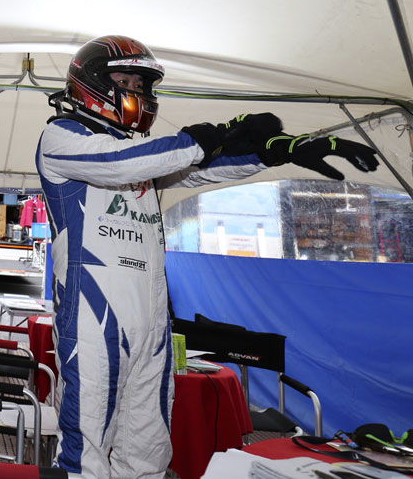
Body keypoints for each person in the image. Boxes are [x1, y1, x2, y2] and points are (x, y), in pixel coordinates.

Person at [35, 35, 379, 478]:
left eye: (141, 86)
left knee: (148, 450)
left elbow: (197, 167)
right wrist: (216, 134)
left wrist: (273, 152)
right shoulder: (62, 136)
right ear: (94, 82)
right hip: (93, 317)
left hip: (152, 321)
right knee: (87, 453)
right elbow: (121, 161)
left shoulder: (143, 157)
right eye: (126, 82)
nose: (136, 93)